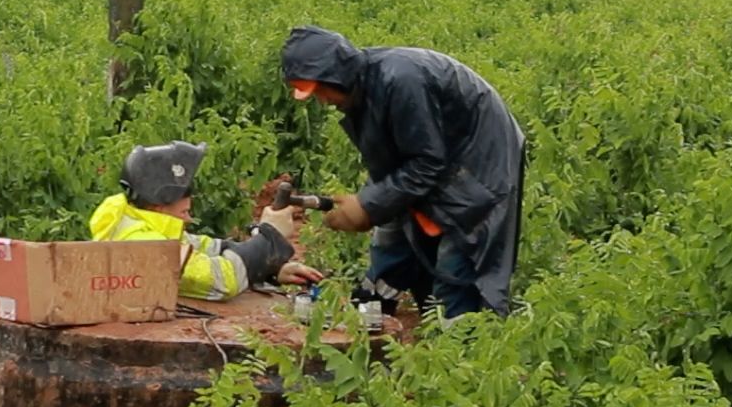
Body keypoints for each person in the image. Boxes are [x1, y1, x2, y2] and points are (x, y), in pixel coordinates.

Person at [279, 25, 525, 321]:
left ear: (334, 74)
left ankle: (458, 344)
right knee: (395, 240)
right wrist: (373, 202)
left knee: (459, 260)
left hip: (480, 160)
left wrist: (368, 205)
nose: (322, 100)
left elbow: (426, 163)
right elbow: (397, 161)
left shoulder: (401, 80)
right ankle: (374, 311)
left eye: (319, 90)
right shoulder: (362, 90)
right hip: (439, 159)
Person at [89, 140, 324, 299]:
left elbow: (212, 248)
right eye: (183, 211)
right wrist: (270, 234)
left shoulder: (142, 223)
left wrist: (271, 268)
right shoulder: (143, 242)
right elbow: (222, 279)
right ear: (160, 202)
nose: (189, 217)